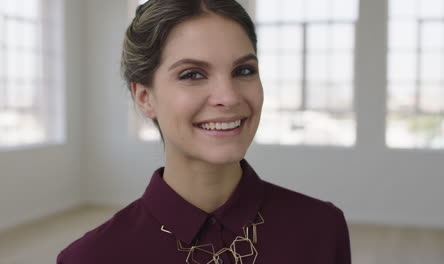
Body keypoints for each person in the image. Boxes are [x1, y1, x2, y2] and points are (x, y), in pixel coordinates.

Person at [57, 0, 351, 263]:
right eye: (192, 74)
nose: (230, 96)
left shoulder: (322, 229)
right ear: (145, 97)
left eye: (244, 71)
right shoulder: (91, 258)